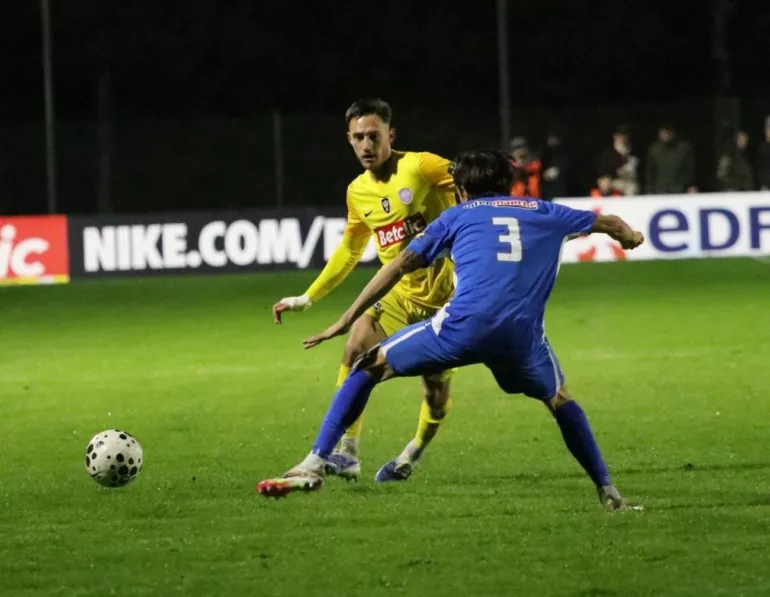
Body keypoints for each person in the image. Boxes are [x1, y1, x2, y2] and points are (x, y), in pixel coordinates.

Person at [257, 149, 645, 511]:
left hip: (461, 328)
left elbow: (397, 266)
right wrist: (630, 236)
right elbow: (610, 223)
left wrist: (345, 319)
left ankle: (315, 461)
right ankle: (608, 491)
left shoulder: (457, 216)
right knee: (560, 399)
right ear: (509, 185)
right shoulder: (546, 211)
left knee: (366, 366)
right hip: (522, 340)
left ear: (460, 190)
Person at [271, 98, 456, 483]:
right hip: (397, 296)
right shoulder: (357, 192)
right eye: (358, 138)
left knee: (436, 396)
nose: (366, 145)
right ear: (349, 140)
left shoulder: (422, 166)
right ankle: (347, 452)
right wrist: (308, 297)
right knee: (356, 347)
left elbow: (476, 185)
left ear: (391, 135)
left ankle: (412, 452)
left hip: (448, 302)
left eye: (374, 136)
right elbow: (350, 250)